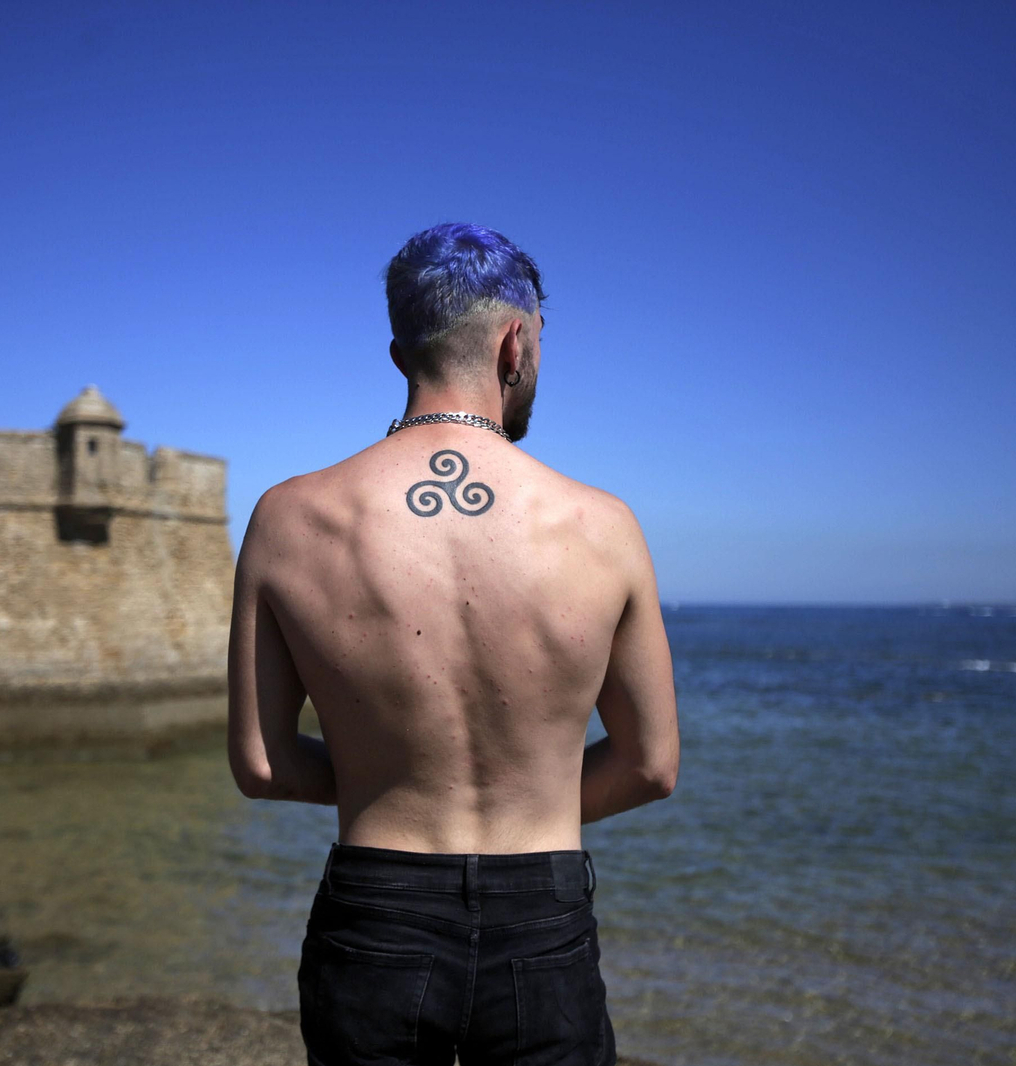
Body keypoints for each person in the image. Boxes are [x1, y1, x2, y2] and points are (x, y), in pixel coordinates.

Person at [227, 222, 679, 1065]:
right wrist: (532, 798)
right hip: (542, 922)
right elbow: (652, 764)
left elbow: (261, 765)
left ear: (401, 353)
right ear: (516, 343)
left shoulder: (289, 518)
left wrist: (386, 780)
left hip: (375, 916)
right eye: (541, 341)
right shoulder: (603, 527)